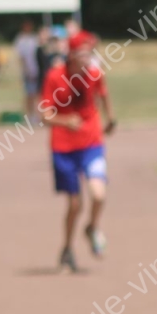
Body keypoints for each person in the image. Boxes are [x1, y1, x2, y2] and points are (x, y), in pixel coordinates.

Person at [40, 32, 115, 271]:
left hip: (91, 143)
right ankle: (67, 247)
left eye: (90, 53)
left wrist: (110, 118)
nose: (88, 59)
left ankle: (92, 227)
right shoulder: (55, 77)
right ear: (71, 55)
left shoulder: (94, 74)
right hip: (63, 147)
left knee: (99, 194)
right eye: (83, 53)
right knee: (74, 205)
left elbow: (103, 94)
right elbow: (44, 115)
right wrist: (65, 122)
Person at [14, 21, 43, 127]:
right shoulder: (20, 39)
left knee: (37, 94)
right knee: (28, 94)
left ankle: (37, 115)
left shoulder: (34, 38)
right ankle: (29, 116)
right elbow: (20, 57)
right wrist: (25, 70)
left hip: (37, 71)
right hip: (27, 71)